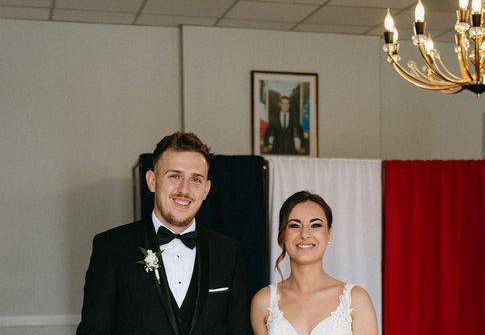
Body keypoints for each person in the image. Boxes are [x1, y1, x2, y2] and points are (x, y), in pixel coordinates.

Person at [77, 131, 251, 335]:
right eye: (175, 176)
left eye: (196, 179)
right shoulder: (111, 248)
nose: (184, 190)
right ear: (152, 180)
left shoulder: (229, 253)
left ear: (206, 189)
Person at [250, 191, 377, 335]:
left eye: (315, 225)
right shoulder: (263, 301)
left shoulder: (356, 300)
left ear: (329, 234)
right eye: (294, 225)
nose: (304, 234)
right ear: (282, 235)